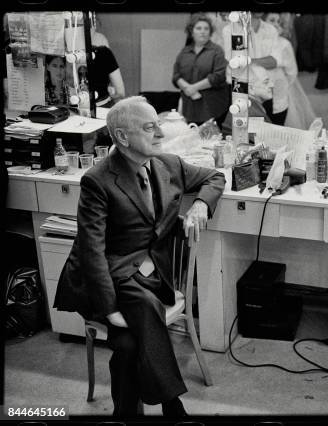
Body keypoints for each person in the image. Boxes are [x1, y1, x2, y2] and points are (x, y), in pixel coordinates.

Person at [53, 96, 226, 417]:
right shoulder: (98, 180)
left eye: (159, 125)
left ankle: (126, 413)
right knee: (134, 324)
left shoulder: (168, 165)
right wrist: (111, 309)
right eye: (150, 128)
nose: (160, 134)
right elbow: (92, 253)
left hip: (147, 273)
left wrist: (201, 204)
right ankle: (172, 405)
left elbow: (215, 177)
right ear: (122, 137)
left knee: (129, 345)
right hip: (104, 276)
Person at [222, 13, 286, 125]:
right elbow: (236, 62)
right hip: (241, 91)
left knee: (270, 136)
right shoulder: (230, 29)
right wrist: (260, 61)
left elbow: (275, 61)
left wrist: (249, 60)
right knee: (243, 135)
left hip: (268, 90)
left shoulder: (270, 29)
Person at [173, 14, 230, 128]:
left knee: (211, 141)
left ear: (210, 32)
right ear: (191, 31)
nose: (203, 32)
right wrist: (187, 88)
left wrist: (194, 88)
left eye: (206, 28)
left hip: (212, 107)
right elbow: (176, 76)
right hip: (189, 108)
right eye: (198, 28)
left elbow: (218, 76)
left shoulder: (217, 51)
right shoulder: (184, 52)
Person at [263, 13, 316, 130]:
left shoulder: (284, 44)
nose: (276, 24)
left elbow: (292, 73)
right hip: (258, 98)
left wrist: (280, 85)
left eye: (278, 22)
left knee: (278, 131)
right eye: (272, 20)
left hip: (279, 98)